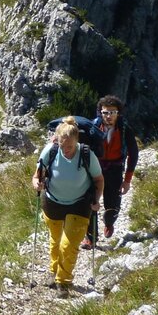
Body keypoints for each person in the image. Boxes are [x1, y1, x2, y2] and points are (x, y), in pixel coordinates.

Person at [31, 120, 103, 291]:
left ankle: (63, 281)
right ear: (57, 141)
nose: (65, 150)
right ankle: (54, 270)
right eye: (62, 145)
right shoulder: (51, 150)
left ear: (77, 140)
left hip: (80, 204)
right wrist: (36, 184)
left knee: (68, 245)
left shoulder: (86, 154)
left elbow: (99, 179)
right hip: (52, 202)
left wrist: (96, 200)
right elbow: (37, 176)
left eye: (69, 146)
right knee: (55, 241)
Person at [84, 94, 140, 248]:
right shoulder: (92, 128)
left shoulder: (125, 130)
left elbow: (133, 154)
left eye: (112, 112)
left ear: (118, 113)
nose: (108, 116)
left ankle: (109, 222)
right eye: (105, 113)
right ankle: (91, 238)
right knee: (91, 201)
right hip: (95, 169)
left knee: (113, 204)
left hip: (115, 169)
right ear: (100, 113)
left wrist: (127, 180)